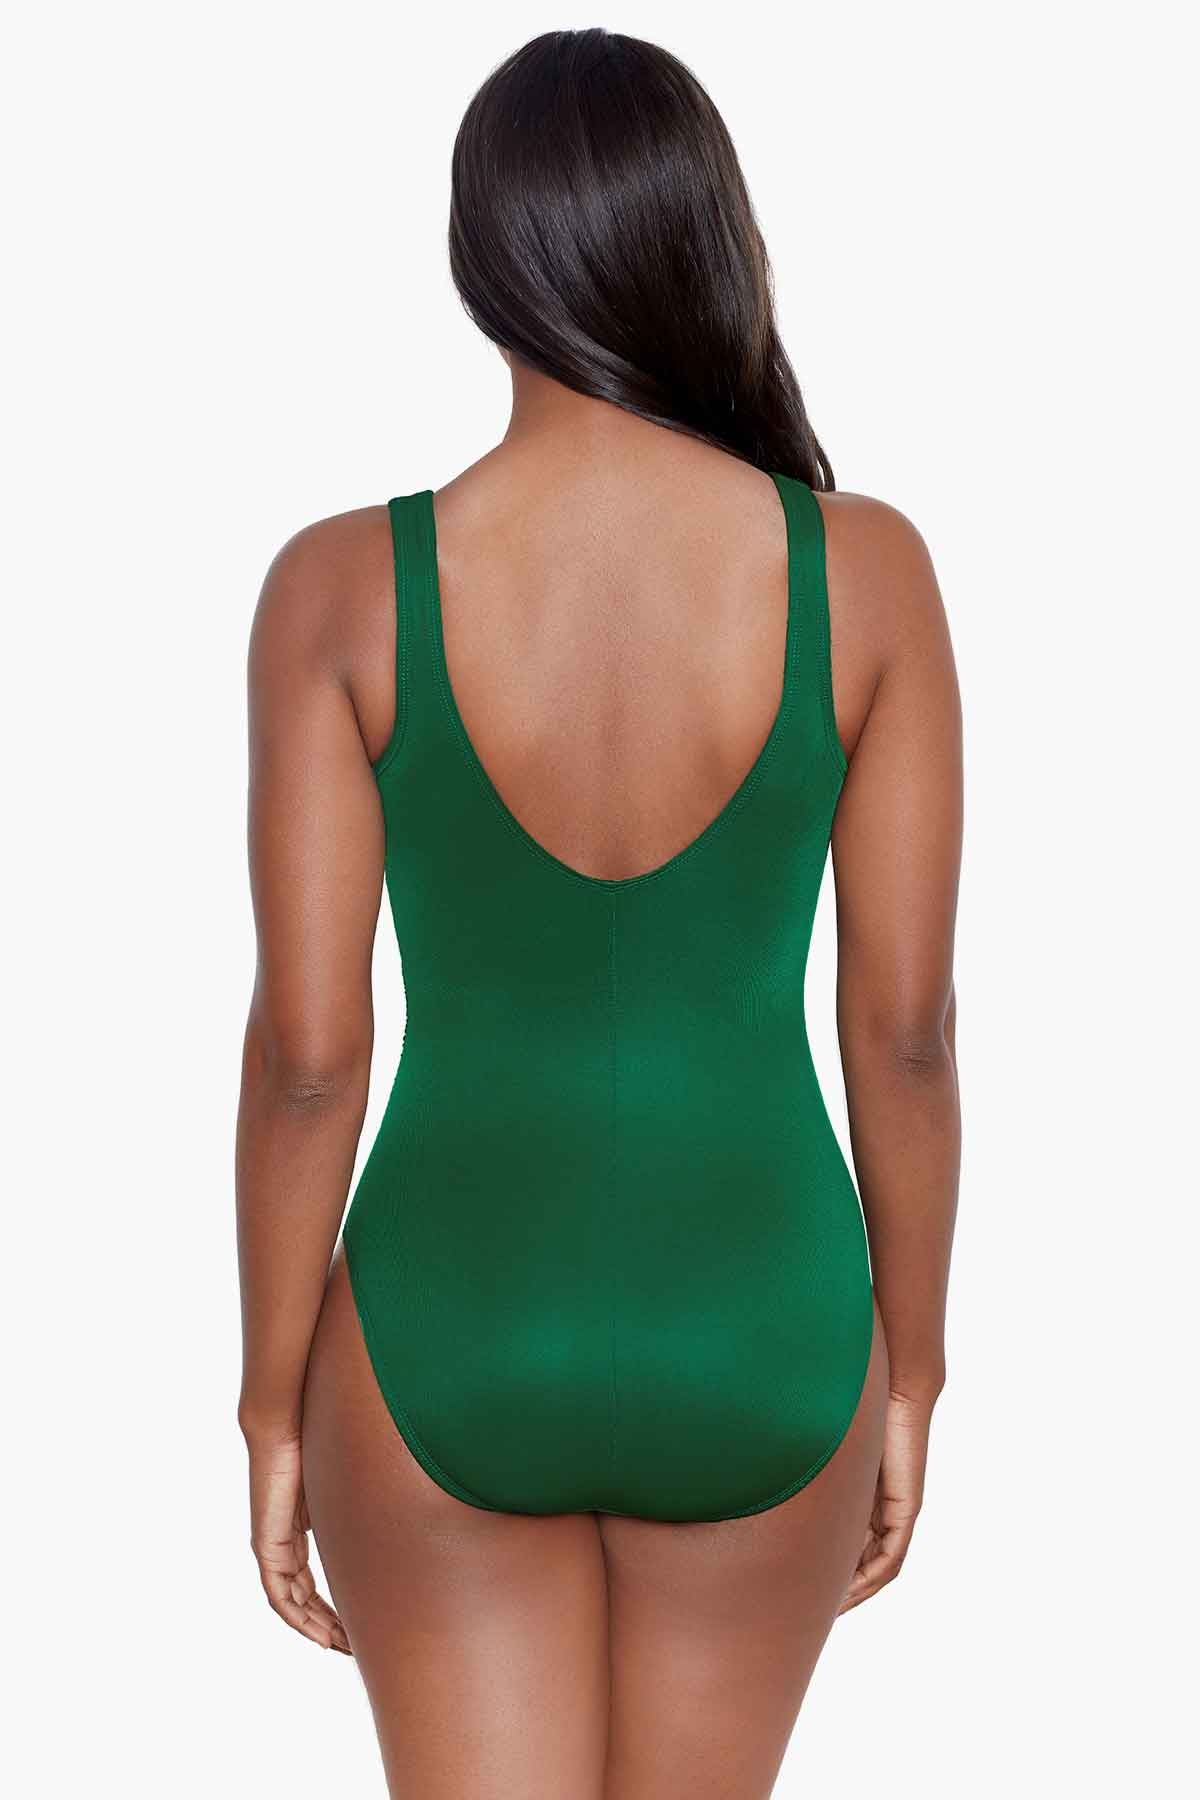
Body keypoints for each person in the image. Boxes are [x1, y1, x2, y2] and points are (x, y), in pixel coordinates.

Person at [236, 27, 961, 1799]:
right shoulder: (864, 572)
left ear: (480, 262)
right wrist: (914, 1371)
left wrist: (268, 1399)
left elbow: (312, 1060)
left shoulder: (344, 587)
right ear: (710, 240)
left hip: (446, 1324)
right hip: (762, 1323)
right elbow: (905, 1038)